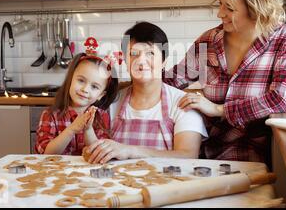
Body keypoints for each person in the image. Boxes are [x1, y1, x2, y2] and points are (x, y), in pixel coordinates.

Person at [165, 0, 286, 164]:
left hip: (252, 157)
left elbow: (281, 99)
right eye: (220, 4)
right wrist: (107, 86)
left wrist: (218, 109)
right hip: (202, 152)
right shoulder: (209, 40)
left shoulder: (285, 39)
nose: (220, 13)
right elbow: (171, 80)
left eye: (229, 8)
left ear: (256, 9)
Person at [85, 22, 208, 164]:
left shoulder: (182, 103)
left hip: (169, 184)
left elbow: (188, 155)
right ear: (125, 60)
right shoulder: (111, 101)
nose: (141, 61)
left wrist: (130, 151)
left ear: (163, 62)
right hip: (119, 183)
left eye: (150, 53)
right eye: (134, 54)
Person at [35, 53, 118, 155]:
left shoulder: (101, 117)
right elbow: (46, 154)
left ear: (101, 95)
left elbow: (99, 154)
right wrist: (71, 130)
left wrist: (88, 130)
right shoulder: (50, 115)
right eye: (81, 80)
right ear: (71, 79)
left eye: (94, 87)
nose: (85, 89)